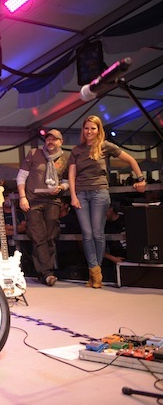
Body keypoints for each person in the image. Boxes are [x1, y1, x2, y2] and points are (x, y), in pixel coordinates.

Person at [68, 115, 146, 288]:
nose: (89, 131)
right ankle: (94, 272)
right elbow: (71, 175)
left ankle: (96, 274)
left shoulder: (105, 146)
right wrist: (73, 196)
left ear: (99, 130)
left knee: (97, 233)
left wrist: (141, 178)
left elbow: (131, 159)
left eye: (93, 128)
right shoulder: (76, 150)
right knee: (87, 234)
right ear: (83, 130)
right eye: (86, 128)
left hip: (99, 192)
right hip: (80, 194)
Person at [17, 129, 69, 286]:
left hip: (53, 201)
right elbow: (21, 176)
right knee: (38, 236)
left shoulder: (65, 158)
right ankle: (46, 273)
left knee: (51, 236)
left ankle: (46, 272)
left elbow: (68, 180)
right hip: (33, 201)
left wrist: (62, 187)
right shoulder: (34, 153)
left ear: (61, 142)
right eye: (48, 139)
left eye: (54, 139)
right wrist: (22, 197)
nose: (50, 141)